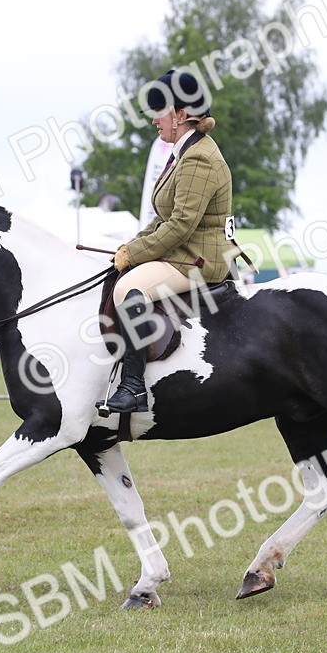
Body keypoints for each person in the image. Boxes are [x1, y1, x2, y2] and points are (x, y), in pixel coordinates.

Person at [100, 69, 234, 415]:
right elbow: (163, 218)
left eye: (160, 112)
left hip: (198, 259)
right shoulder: (183, 152)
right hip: (183, 252)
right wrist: (130, 247)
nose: (154, 120)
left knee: (130, 289)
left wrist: (135, 255)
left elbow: (181, 225)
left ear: (181, 115)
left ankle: (134, 388)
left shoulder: (199, 157)